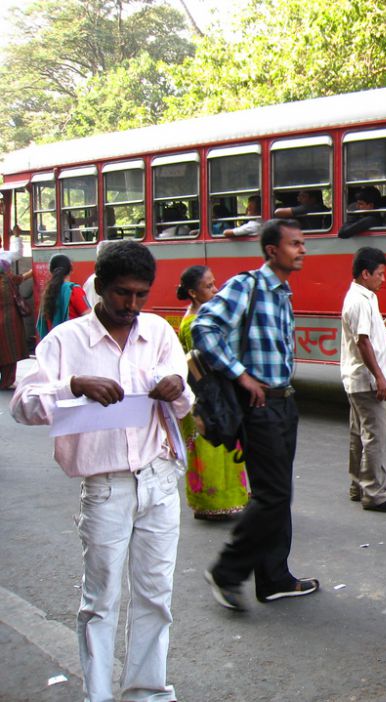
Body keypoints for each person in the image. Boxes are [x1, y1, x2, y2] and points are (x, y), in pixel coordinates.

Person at [10, 240, 193, 702]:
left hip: (158, 478)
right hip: (107, 487)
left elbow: (184, 401)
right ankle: (99, 696)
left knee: (156, 595)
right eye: (121, 294)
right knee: (101, 601)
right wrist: (72, 384)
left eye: (140, 295)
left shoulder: (158, 332)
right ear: (100, 287)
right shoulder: (65, 343)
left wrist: (177, 388)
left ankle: (148, 691)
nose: (131, 305)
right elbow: (22, 406)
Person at [194, 219, 319, 611]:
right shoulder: (246, 285)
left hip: (284, 402)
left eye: (302, 243)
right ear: (271, 250)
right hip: (259, 405)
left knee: (278, 495)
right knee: (273, 494)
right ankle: (226, 570)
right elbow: (204, 327)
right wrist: (241, 375)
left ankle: (274, 578)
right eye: (295, 244)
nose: (303, 251)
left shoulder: (283, 293)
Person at [340, 246, 386, 512]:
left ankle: (358, 485)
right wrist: (380, 378)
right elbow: (363, 342)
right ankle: (375, 492)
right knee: (373, 436)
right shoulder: (360, 300)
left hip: (357, 379)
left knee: (359, 434)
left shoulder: (364, 296)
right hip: (366, 381)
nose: (384, 279)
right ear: (365, 273)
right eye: (380, 274)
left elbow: (369, 333)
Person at [176, 265, 249, 520]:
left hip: (211, 395)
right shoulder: (195, 323)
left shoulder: (200, 317)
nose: (216, 290)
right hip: (207, 399)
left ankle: (223, 501)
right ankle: (213, 503)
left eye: (214, 283)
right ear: (193, 293)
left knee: (222, 449)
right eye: (209, 286)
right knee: (212, 450)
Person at [0, 229, 30, 390]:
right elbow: (21, 278)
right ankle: (6, 381)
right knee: (9, 353)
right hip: (8, 322)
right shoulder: (8, 278)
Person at [36, 254, 90, 340]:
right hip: (72, 342)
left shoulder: (47, 292)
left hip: (53, 342)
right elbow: (89, 317)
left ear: (50, 271)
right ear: (71, 269)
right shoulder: (74, 290)